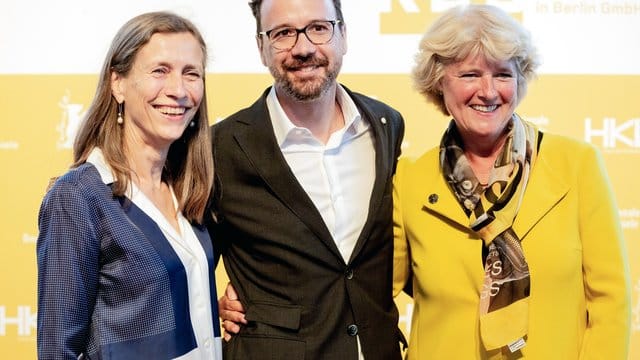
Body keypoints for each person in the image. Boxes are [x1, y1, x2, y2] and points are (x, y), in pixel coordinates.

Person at [392, 4, 631, 359]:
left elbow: (610, 304)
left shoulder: (577, 165)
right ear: (439, 82)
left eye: (503, 74)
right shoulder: (410, 180)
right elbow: (372, 301)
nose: (488, 91)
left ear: (520, 81)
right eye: (470, 75)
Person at [209, 0, 405, 358]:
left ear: (343, 35)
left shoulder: (386, 125)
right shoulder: (219, 148)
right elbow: (184, 258)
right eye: (283, 33)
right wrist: (212, 307)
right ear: (261, 47)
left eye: (319, 28)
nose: (303, 48)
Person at [36, 11, 222, 359]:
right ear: (117, 83)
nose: (178, 90)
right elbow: (56, 349)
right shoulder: (79, 196)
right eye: (160, 71)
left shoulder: (188, 188)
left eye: (191, 74)